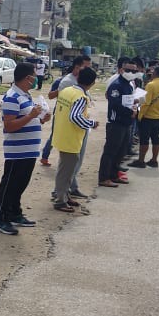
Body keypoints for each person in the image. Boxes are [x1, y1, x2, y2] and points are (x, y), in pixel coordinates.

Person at [0, 62, 51, 235]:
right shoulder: (12, 96)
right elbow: (9, 126)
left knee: (20, 184)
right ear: (27, 78)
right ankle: (3, 218)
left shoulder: (25, 95)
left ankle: (15, 213)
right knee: (10, 185)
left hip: (29, 150)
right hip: (17, 151)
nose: (36, 79)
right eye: (34, 76)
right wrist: (31, 115)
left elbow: (27, 119)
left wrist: (40, 119)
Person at [52, 68, 98, 212]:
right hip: (71, 138)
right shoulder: (81, 97)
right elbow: (75, 117)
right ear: (92, 83)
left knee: (65, 168)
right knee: (66, 171)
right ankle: (60, 200)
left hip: (61, 134)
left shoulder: (67, 91)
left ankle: (65, 195)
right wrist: (91, 123)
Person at [98, 58, 140, 188]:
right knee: (110, 151)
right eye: (129, 70)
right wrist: (129, 112)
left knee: (121, 151)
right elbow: (115, 104)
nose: (132, 73)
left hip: (126, 122)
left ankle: (114, 175)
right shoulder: (116, 85)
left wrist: (134, 106)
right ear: (121, 70)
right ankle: (104, 177)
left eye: (134, 71)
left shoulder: (129, 85)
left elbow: (128, 101)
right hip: (116, 123)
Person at [41, 55, 89, 167]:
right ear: (77, 67)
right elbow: (50, 95)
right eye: (85, 67)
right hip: (61, 111)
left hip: (71, 112)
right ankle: (45, 156)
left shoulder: (81, 81)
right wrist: (62, 91)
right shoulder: (64, 81)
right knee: (55, 135)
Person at [128, 66, 159, 168]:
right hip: (158, 117)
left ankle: (141, 160)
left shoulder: (151, 85)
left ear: (155, 73)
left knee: (144, 139)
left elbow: (146, 102)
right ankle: (154, 160)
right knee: (156, 139)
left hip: (147, 117)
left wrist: (140, 115)